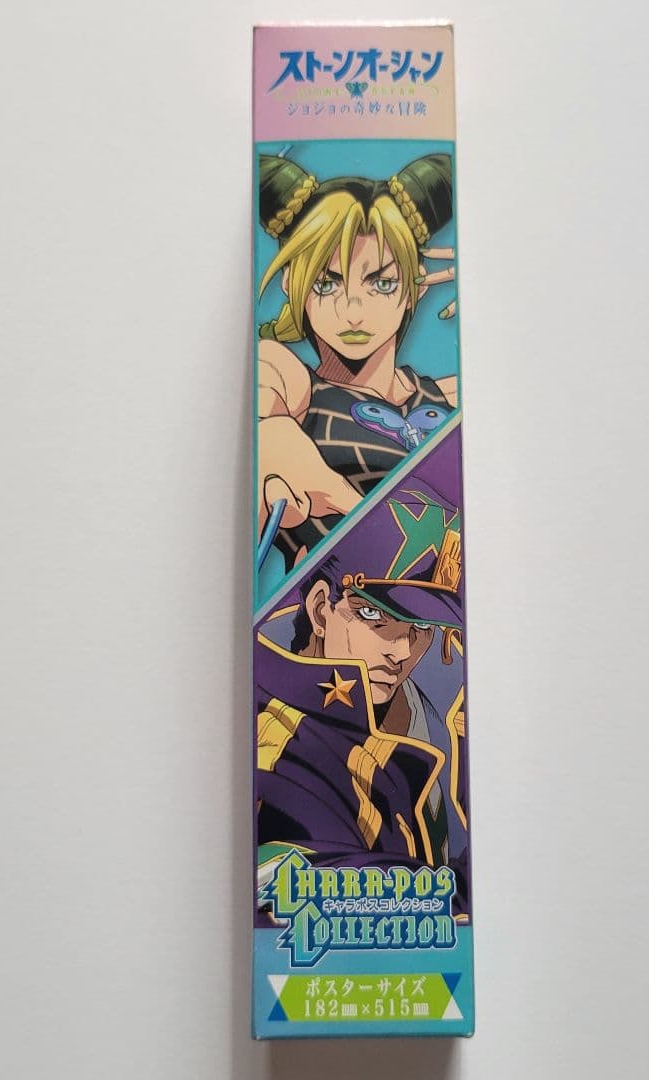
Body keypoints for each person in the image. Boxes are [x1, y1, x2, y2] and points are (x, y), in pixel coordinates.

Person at [255, 481, 469, 913]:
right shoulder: (275, 739)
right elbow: (292, 889)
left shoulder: (441, 714)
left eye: (421, 627)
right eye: (375, 615)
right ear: (320, 609)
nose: (402, 651)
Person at [257, 151, 458, 571]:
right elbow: (270, 433)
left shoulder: (450, 398)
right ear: (291, 283)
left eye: (381, 283)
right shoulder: (289, 381)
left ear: (417, 286)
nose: (352, 312)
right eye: (326, 284)